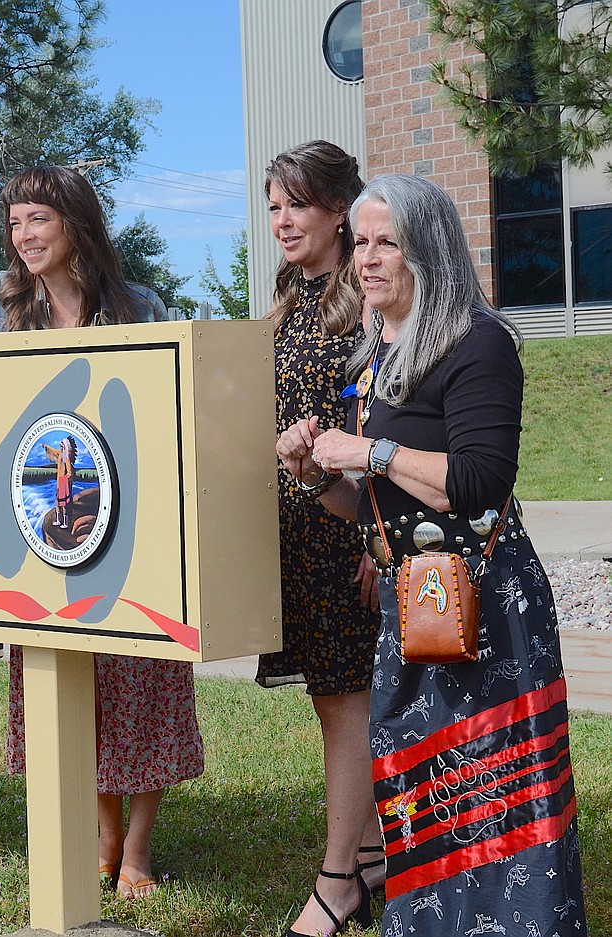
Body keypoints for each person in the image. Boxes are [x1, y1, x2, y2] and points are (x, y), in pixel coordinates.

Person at [0, 166, 204, 899]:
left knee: (143, 683)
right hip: (43, 532)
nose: (23, 236)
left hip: (133, 526)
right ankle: (103, 834)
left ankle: (141, 846)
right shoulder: (0, 302)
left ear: (76, 224)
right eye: (16, 223)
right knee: (66, 685)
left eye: (38, 221)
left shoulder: (137, 305)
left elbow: (174, 398)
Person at [277, 174, 588, 935]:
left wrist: (370, 447)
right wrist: (317, 475)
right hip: (412, 600)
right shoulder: (379, 351)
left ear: (431, 249)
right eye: (362, 242)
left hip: (486, 606)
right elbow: (375, 506)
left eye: (390, 242)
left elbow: (479, 484)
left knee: (500, 782)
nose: (368, 259)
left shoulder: (477, 342)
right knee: (422, 783)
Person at [257, 141, 383, 937]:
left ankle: (338, 881)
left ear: (340, 209)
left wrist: (379, 537)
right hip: (293, 527)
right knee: (329, 701)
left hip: (349, 530)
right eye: (272, 205)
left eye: (296, 203)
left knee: (348, 704)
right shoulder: (286, 296)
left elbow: (386, 416)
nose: (282, 220)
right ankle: (371, 854)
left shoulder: (366, 293)